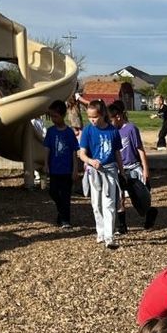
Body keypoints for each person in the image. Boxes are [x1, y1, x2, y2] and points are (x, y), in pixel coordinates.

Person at [77, 99, 123, 249]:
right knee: (96, 204)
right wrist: (90, 161)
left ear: (102, 114)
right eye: (90, 117)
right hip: (94, 170)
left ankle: (109, 237)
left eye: (95, 117)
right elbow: (82, 154)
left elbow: (117, 153)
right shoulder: (88, 131)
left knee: (109, 203)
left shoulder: (113, 131)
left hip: (110, 170)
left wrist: (122, 172)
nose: (92, 120)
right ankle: (101, 231)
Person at [109, 100, 158, 232]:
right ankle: (122, 225)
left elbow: (140, 150)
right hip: (120, 168)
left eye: (111, 120)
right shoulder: (111, 131)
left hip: (133, 166)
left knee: (139, 197)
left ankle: (149, 212)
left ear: (118, 116)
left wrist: (145, 169)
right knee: (120, 197)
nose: (109, 123)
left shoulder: (131, 129)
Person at [42, 100, 78, 230]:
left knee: (66, 195)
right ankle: (61, 211)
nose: (53, 119)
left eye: (55, 116)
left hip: (67, 170)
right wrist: (46, 163)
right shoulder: (51, 132)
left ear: (62, 115)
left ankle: (65, 220)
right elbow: (47, 148)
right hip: (54, 169)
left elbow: (74, 151)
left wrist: (75, 169)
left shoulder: (69, 132)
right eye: (51, 116)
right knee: (53, 192)